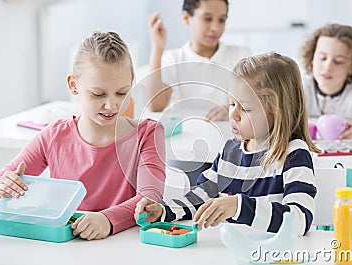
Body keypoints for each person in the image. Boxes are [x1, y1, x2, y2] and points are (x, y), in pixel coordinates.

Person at [0, 30, 166, 240]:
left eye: (121, 92)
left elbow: (150, 199)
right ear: (73, 85)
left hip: (125, 246)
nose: (111, 105)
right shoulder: (53, 136)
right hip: (66, 246)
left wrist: (107, 220)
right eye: (98, 94)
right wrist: (3, 187)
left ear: (131, 81)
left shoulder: (148, 134)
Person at [135, 53, 318, 236]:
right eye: (231, 104)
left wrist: (239, 206)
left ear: (278, 112)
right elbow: (200, 198)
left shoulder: (294, 154)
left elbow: (300, 220)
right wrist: (163, 211)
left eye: (245, 108)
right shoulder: (229, 152)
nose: (233, 115)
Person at [146, 0, 251, 121]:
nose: (215, 28)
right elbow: (155, 105)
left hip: (229, 134)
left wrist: (235, 108)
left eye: (221, 20)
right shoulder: (173, 59)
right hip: (186, 134)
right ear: (186, 18)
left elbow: (256, 103)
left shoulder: (241, 55)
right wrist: (157, 48)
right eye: (207, 19)